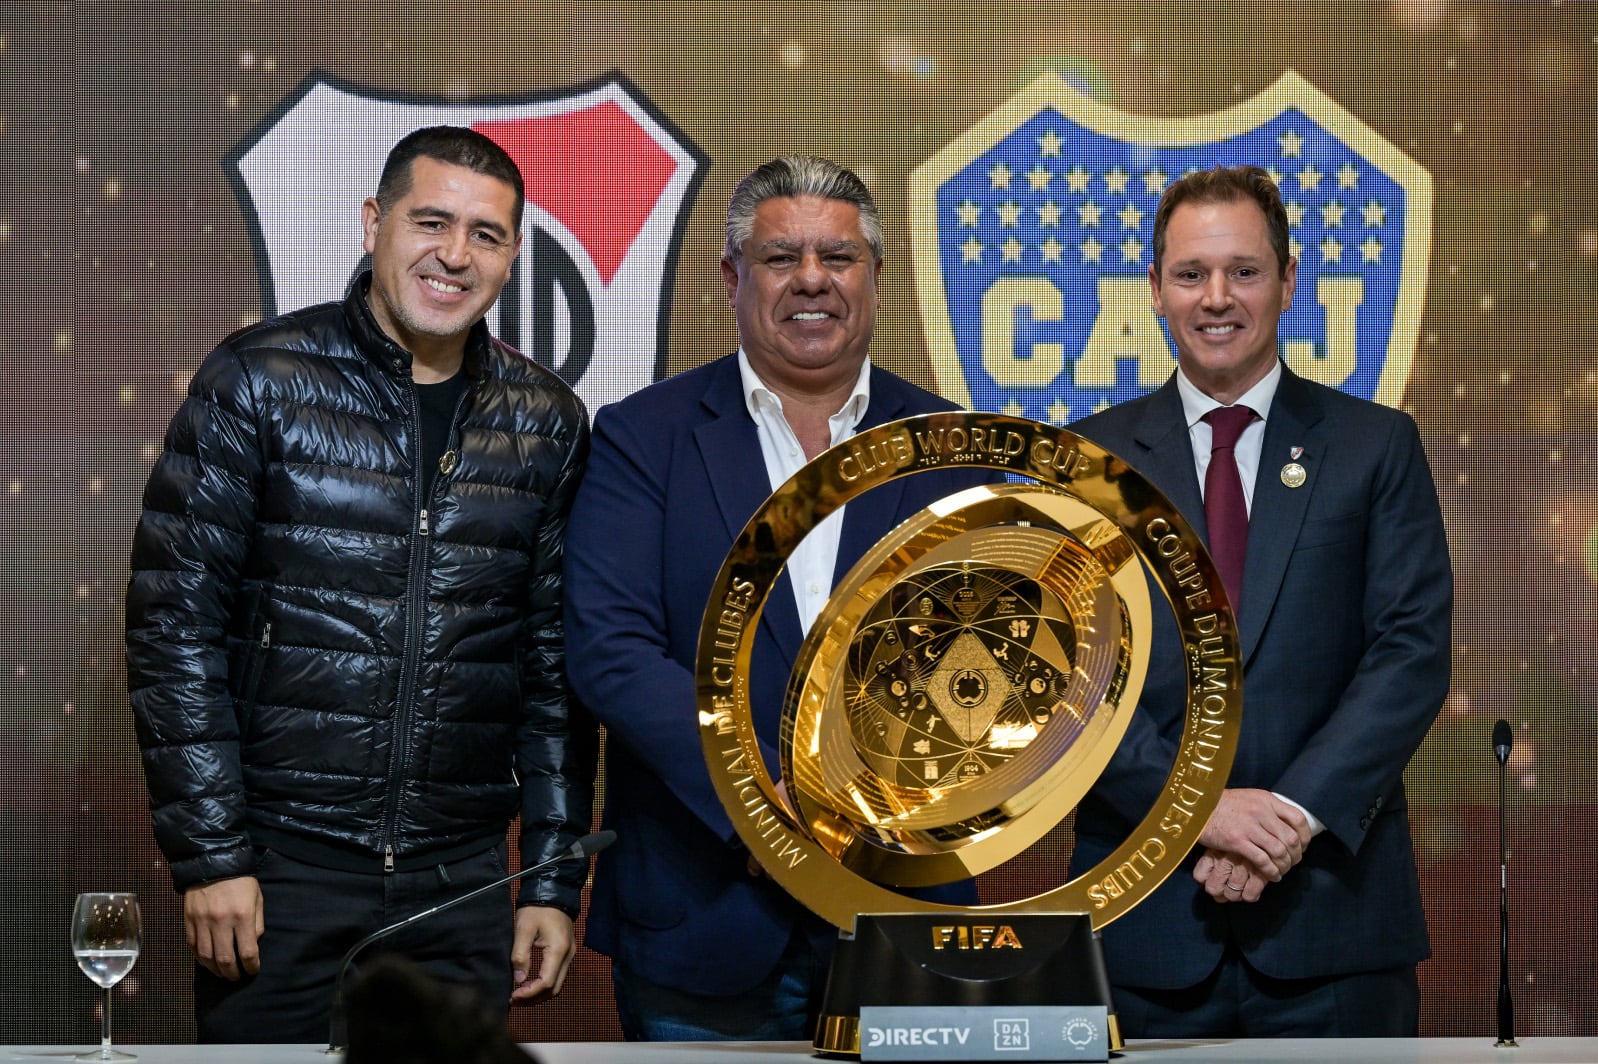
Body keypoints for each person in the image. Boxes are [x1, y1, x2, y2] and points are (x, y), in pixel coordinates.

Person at [126, 126, 594, 1043]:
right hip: (279, 876)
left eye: (486, 234)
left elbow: (552, 675)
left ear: (511, 256)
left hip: (461, 886)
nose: (455, 255)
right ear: (375, 223)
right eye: (431, 221)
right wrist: (213, 858)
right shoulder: (256, 381)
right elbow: (173, 630)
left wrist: (548, 882)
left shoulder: (548, 423)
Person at [563, 155, 983, 1041]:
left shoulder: (951, 445)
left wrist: (862, 809)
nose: (812, 281)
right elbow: (612, 649)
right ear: (732, 277)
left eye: (838, 257)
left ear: (876, 276)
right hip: (702, 920)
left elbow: (983, 659)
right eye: (781, 256)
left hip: (899, 909)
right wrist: (762, 801)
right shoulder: (644, 437)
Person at [1067, 164, 1453, 1037]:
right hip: (1142, 931)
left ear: (1289, 280)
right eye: (1190, 274)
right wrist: (1201, 810)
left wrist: (1286, 820)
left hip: (1335, 931)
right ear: (1154, 292)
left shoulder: (1375, 446)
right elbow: (1071, 680)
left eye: (1244, 271)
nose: (1217, 298)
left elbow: (1410, 654)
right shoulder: (1089, 464)